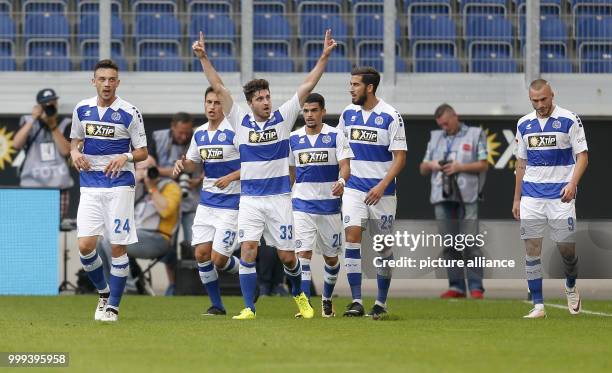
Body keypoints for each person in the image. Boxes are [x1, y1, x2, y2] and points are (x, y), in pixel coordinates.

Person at [193, 29, 337, 319]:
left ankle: (300, 296)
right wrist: (204, 59)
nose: (266, 101)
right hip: (250, 200)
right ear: (250, 103)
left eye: (268, 97)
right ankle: (249, 307)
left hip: (279, 199)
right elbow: (219, 88)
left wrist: (323, 57)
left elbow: (308, 85)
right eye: (260, 98)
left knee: (287, 257)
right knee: (247, 250)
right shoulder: (240, 120)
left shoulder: (283, 118)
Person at [70, 59, 148, 322]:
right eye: (101, 79)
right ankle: (103, 293)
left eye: (111, 79)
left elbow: (143, 152)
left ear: (118, 82)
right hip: (90, 183)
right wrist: (73, 153)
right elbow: (75, 142)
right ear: (94, 81)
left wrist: (125, 157)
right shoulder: (81, 109)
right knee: (85, 245)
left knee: (117, 247)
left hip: (119, 184)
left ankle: (113, 306)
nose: (106, 84)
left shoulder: (130, 112)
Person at [512, 79, 588, 319]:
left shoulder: (569, 119)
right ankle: (538, 306)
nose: (540, 104)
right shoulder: (524, 124)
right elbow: (521, 163)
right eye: (535, 100)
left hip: (560, 197)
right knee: (532, 250)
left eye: (543, 99)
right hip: (532, 196)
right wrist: (516, 198)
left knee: (566, 250)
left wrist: (572, 184)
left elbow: (583, 156)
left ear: (552, 95)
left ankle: (570, 285)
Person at [337, 66, 407, 319]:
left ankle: (381, 302)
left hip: (382, 193)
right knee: (352, 237)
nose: (351, 88)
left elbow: (400, 158)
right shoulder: (347, 114)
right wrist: (342, 177)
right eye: (351, 83)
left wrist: (382, 185)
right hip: (354, 189)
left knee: (383, 248)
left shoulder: (390, 115)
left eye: (355, 84)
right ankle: (356, 300)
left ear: (369, 87)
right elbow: (342, 150)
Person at [173, 87, 241, 316]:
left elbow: (253, 164)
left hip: (232, 204)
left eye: (217, 103)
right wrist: (182, 164)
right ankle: (217, 305)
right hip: (207, 203)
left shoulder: (235, 131)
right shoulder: (199, 133)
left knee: (219, 259)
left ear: (225, 106)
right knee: (201, 254)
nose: (212, 107)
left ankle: (246, 271)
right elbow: (193, 163)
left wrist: (231, 177)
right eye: (209, 102)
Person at [288, 93, 353, 317]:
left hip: (329, 207)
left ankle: (326, 298)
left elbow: (345, 165)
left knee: (331, 259)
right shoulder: (294, 138)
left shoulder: (336, 135)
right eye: (305, 111)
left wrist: (342, 181)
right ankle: (306, 307)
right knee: (302, 255)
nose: (309, 115)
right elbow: (291, 172)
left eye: (313, 110)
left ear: (322, 112)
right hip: (302, 206)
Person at [419, 104, 489, 299]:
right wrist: (432, 164)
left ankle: (476, 287)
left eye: (447, 124)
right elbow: (422, 168)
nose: (444, 128)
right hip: (442, 196)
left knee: (470, 242)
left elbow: (484, 164)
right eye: (441, 125)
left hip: (468, 196)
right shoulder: (435, 137)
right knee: (449, 243)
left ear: (455, 116)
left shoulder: (475, 134)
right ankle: (456, 287)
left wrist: (460, 167)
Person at [97, 156, 181, 289]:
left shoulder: (170, 186)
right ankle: (108, 288)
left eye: (150, 168)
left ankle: (126, 287)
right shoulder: (135, 186)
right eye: (143, 169)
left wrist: (152, 188)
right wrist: (134, 181)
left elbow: (166, 211)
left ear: (157, 168)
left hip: (158, 238)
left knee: (113, 239)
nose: (147, 172)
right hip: (134, 235)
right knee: (100, 241)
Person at [149, 112, 202, 296]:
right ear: (173, 126)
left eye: (187, 132)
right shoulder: (158, 137)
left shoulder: (200, 137)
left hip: (192, 200)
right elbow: (151, 169)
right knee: (168, 246)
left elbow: (211, 166)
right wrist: (174, 171)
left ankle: (194, 285)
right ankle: (172, 284)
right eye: (180, 132)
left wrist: (199, 179)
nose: (183, 136)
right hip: (168, 200)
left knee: (194, 244)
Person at [13, 88, 73, 218]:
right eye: (46, 104)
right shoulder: (28, 121)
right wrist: (34, 118)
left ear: (57, 104)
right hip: (32, 186)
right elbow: (16, 144)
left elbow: (66, 151)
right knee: (31, 223)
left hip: (59, 186)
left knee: (57, 227)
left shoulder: (64, 123)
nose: (49, 107)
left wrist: (53, 126)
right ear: (39, 106)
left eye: (53, 103)